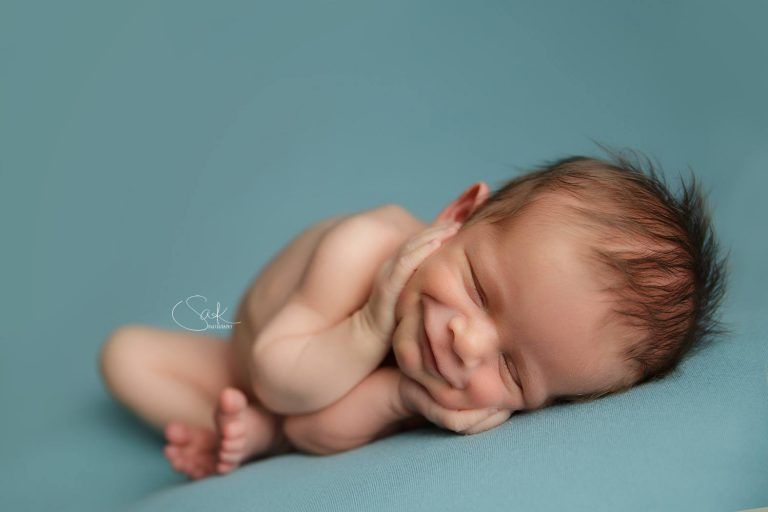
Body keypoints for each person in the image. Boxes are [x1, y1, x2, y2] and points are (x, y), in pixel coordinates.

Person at [98, 148, 729, 480]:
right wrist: (371, 324)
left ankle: (253, 438)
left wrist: (400, 396)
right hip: (261, 357)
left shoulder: (436, 378)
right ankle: (248, 427)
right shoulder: (362, 246)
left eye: (513, 371)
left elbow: (316, 433)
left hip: (296, 402)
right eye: (480, 289)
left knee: (290, 425)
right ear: (456, 217)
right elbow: (276, 377)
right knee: (124, 356)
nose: (468, 344)